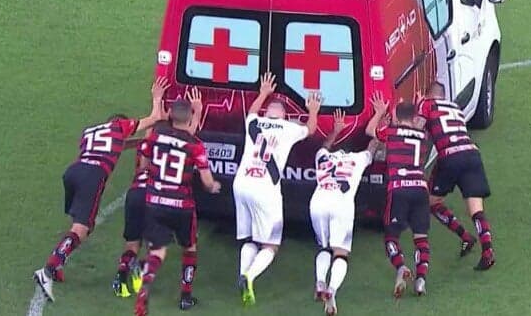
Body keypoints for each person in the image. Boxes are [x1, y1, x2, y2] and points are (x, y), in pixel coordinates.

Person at [33, 77, 170, 302]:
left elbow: (115, 146)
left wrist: (137, 143)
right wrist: (157, 99)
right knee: (82, 227)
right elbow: (154, 119)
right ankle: (48, 269)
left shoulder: (91, 131)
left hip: (74, 171)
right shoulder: (120, 126)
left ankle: (57, 267)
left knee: (80, 223)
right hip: (92, 175)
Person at [234, 72, 321, 306]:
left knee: (248, 238)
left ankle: (242, 273)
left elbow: (252, 111)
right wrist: (312, 109)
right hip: (265, 188)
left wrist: (263, 93)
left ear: (266, 112)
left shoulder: (253, 122)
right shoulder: (287, 128)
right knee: (271, 244)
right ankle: (249, 276)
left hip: (241, 183)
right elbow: (310, 129)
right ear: (283, 115)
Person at [134, 99, 221, 316]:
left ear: (170, 115)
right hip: (182, 204)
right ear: (190, 118)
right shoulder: (195, 145)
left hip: (155, 201)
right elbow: (207, 181)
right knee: (189, 248)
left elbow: (142, 165)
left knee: (158, 250)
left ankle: (146, 284)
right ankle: (185, 296)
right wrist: (214, 187)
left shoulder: (154, 137)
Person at [113, 88, 204, 298]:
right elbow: (190, 135)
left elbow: (150, 135)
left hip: (136, 192)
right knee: (164, 244)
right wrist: (197, 112)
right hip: (156, 194)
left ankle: (121, 278)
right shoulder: (181, 143)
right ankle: (175, 288)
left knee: (133, 241)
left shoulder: (151, 139)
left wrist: (157, 99)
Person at [417, 81, 495, 270]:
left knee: (430, 202)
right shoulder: (455, 108)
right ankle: (487, 251)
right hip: (472, 153)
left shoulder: (427, 105)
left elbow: (417, 129)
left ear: (429, 95)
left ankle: (465, 236)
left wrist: (418, 108)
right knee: (476, 208)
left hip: (450, 155)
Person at [310, 109, 379, 316]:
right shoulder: (357, 160)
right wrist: (382, 119)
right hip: (341, 204)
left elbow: (324, 145)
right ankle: (332, 290)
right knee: (340, 253)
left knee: (323, 247)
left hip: (319, 201)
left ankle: (320, 281)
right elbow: (373, 146)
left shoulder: (323, 158)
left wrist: (336, 130)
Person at [366, 93, 431, 297]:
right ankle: (420, 279)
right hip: (421, 188)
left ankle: (401, 267)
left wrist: (379, 112)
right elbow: (418, 122)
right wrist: (418, 104)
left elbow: (370, 131)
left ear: (395, 114)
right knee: (421, 238)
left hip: (399, 188)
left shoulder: (391, 132)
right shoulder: (423, 135)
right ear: (413, 117)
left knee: (391, 236)